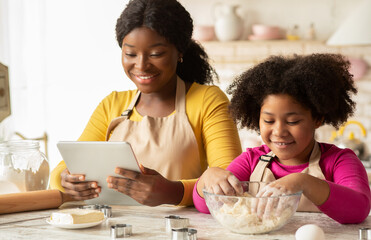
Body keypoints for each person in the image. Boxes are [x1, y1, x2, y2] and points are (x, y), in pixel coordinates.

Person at [50, 0, 242, 207]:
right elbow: (66, 166)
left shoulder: (207, 101)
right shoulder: (112, 104)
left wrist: (174, 192)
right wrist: (65, 179)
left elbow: (229, 180)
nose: (141, 65)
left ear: (179, 52)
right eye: (130, 54)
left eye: (156, 54)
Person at [193, 54, 371, 224]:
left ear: (317, 119)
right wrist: (208, 178)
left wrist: (303, 182)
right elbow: (206, 206)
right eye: (269, 121)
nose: (279, 131)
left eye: (293, 121)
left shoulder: (340, 161)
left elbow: (359, 210)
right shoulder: (251, 160)